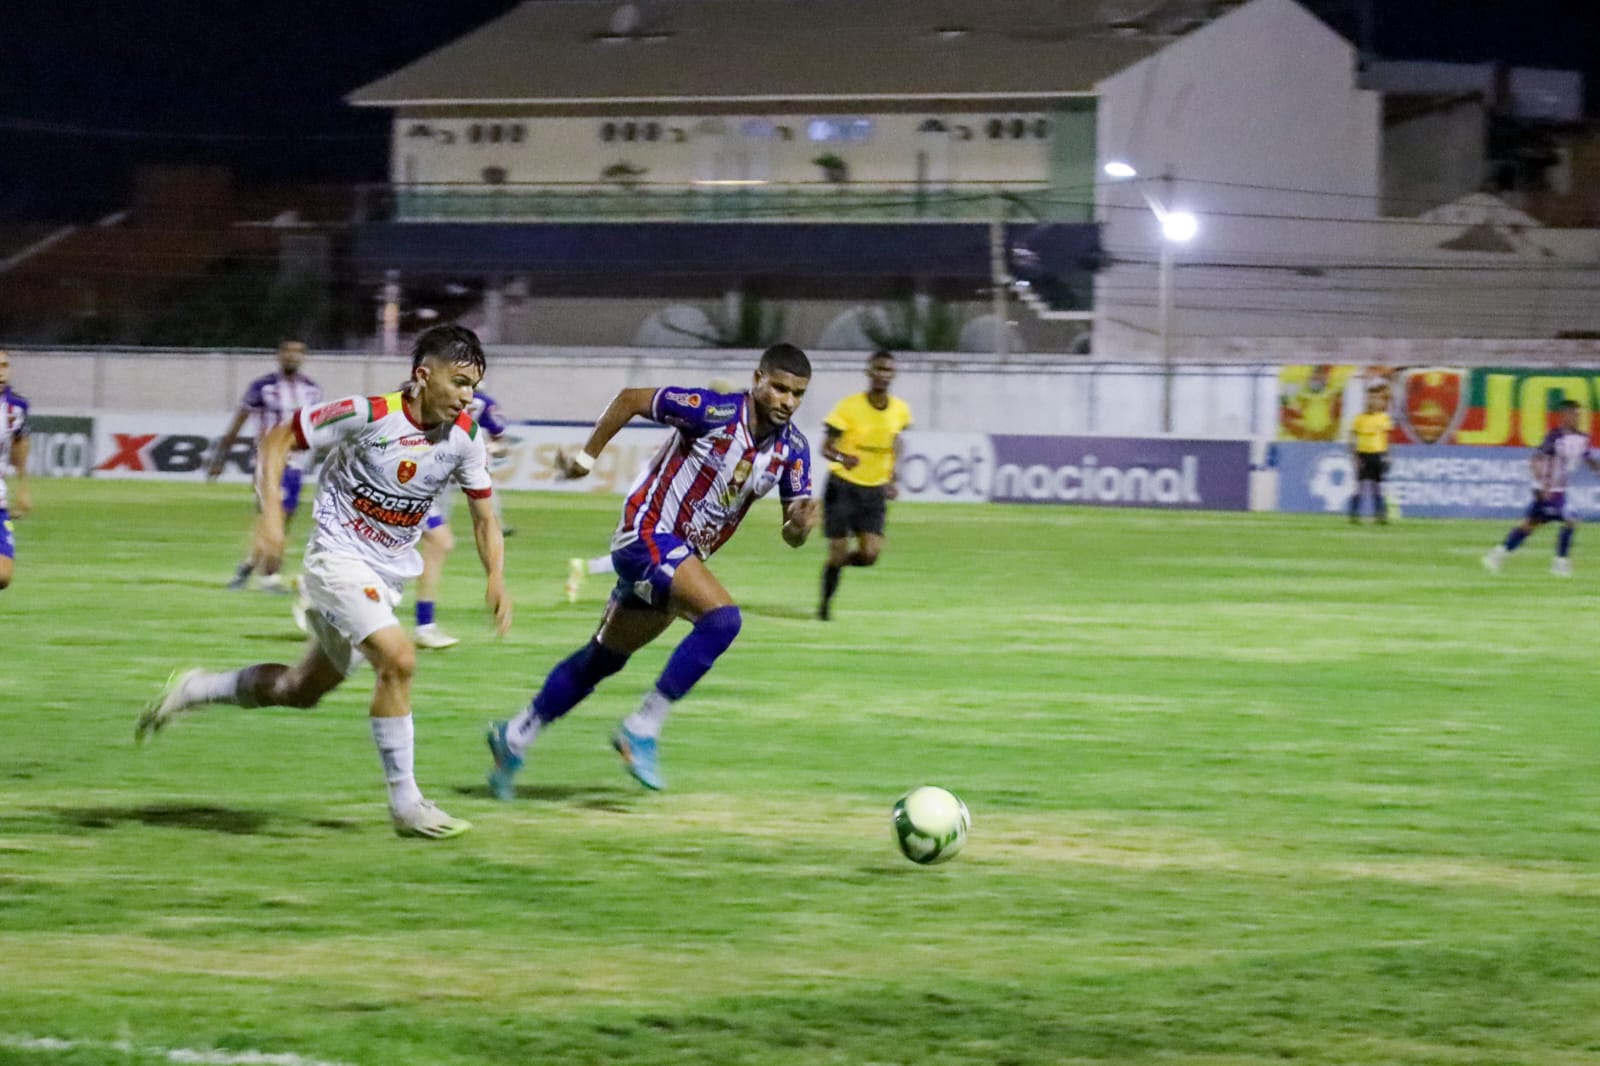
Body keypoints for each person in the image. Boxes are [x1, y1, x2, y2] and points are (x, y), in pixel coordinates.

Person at [137, 324, 511, 839]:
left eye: (475, 385)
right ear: (424, 376)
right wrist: (270, 516)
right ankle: (407, 805)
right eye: (460, 382)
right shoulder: (368, 414)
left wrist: (497, 577)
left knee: (299, 689)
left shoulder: (465, 438)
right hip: (336, 561)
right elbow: (278, 438)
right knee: (398, 659)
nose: (469, 396)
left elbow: (485, 517)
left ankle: (197, 688)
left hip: (385, 576)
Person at [487, 344, 818, 796]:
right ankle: (641, 727)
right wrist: (586, 460)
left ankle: (514, 736)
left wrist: (798, 524)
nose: (787, 400)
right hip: (646, 534)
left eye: (797, 394)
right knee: (723, 620)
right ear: (757, 378)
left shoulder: (794, 450)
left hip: (679, 557)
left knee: (603, 658)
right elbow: (630, 399)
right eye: (779, 388)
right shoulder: (713, 410)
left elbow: (791, 534)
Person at [562, 376, 738, 604]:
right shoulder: (703, 424)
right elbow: (630, 399)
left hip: (665, 494)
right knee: (658, 552)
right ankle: (591, 569)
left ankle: (590, 569)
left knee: (654, 553)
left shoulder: (701, 426)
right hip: (661, 495)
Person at [210, 340, 322, 593]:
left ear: (304, 357)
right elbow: (240, 420)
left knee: (284, 520)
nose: (292, 357)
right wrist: (221, 457)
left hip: (297, 464)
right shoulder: (262, 387)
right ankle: (269, 578)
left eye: (297, 353)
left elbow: (317, 424)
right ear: (279, 356)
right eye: (288, 352)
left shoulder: (311, 389)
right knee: (273, 516)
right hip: (269, 460)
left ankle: (248, 566)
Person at [413, 388, 513, 649]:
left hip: (425, 484)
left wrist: (495, 577)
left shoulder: (469, 428)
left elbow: (501, 445)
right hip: (400, 483)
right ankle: (328, 592)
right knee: (435, 540)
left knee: (439, 540)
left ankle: (425, 625)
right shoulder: (413, 403)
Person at [817, 350, 912, 620]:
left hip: (874, 491)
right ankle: (824, 606)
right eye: (878, 369)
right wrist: (842, 457)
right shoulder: (848, 407)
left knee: (870, 554)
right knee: (838, 552)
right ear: (868, 372)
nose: (883, 374)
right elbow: (825, 447)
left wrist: (894, 475)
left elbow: (897, 441)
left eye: (888, 370)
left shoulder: (900, 410)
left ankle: (835, 565)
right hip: (842, 487)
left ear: (893, 375)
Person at [1483, 399, 1600, 577]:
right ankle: (1560, 563)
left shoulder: (1582, 438)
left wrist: (1596, 469)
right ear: (1564, 416)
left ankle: (1497, 555)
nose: (1577, 418)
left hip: (1559, 491)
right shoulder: (1555, 437)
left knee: (1528, 526)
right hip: (1548, 491)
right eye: (1574, 414)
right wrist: (1538, 484)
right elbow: (1536, 459)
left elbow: (1588, 459)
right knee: (1570, 520)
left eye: (1579, 414)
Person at [0, 349, 31, 591]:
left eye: (4, 365)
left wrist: (23, 487)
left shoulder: (15, 407)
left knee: (3, 576)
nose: (2, 372)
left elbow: (20, 441)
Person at [1348, 387, 1393, 524]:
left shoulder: (1384, 418)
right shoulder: (1359, 419)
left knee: (1378, 487)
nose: (1372, 401)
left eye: (1376, 398)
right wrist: (1354, 455)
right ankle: (1354, 514)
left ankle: (1380, 514)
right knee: (1359, 486)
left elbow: (1387, 438)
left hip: (1378, 455)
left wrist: (1388, 456)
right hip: (1363, 454)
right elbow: (1352, 436)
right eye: (1370, 398)